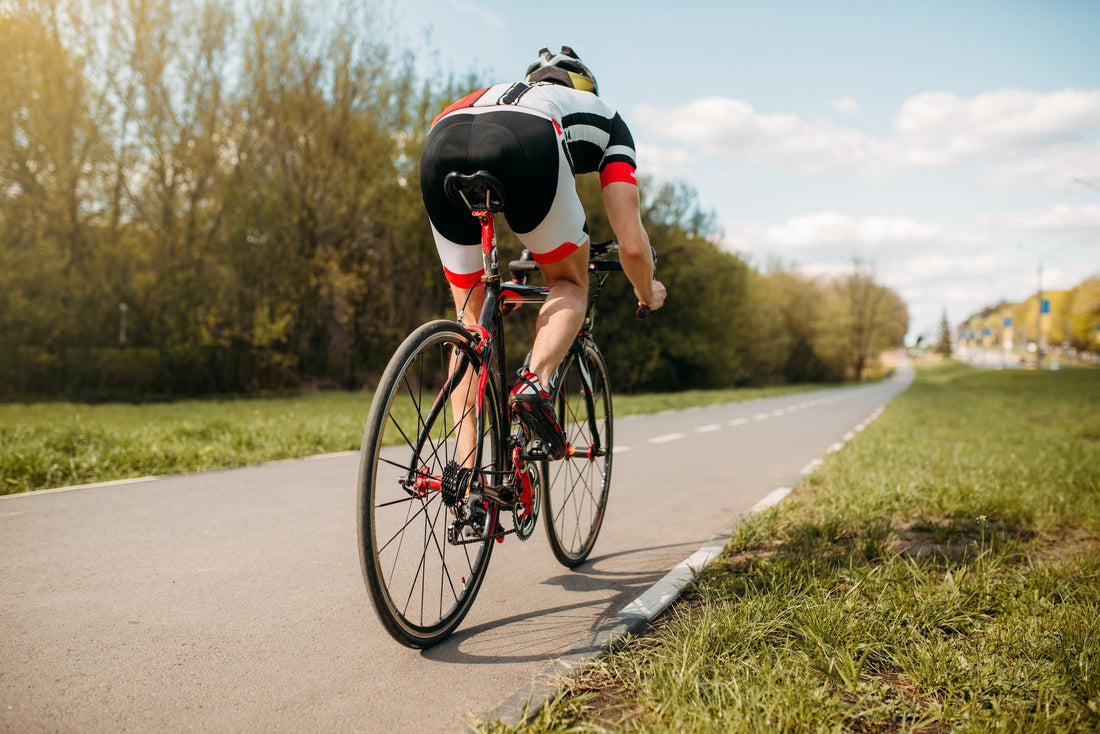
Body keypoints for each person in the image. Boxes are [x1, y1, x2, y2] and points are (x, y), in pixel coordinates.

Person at [420, 46, 666, 460]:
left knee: (469, 322)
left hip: (441, 139)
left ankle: (468, 487)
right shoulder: (605, 114)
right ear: (584, 85)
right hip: (529, 140)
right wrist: (646, 290)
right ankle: (535, 383)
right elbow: (634, 246)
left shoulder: (497, 90)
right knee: (569, 281)